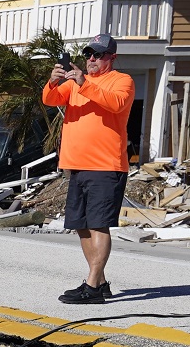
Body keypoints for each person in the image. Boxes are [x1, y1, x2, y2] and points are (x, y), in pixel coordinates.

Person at [42, 33, 135, 304]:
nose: (91, 59)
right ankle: (101, 282)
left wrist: (84, 82)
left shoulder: (122, 81)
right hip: (77, 165)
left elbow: (115, 104)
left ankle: (92, 287)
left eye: (98, 55)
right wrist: (53, 80)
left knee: (98, 224)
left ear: (112, 58)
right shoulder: (74, 84)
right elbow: (50, 99)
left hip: (106, 165)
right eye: (88, 54)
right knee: (81, 225)